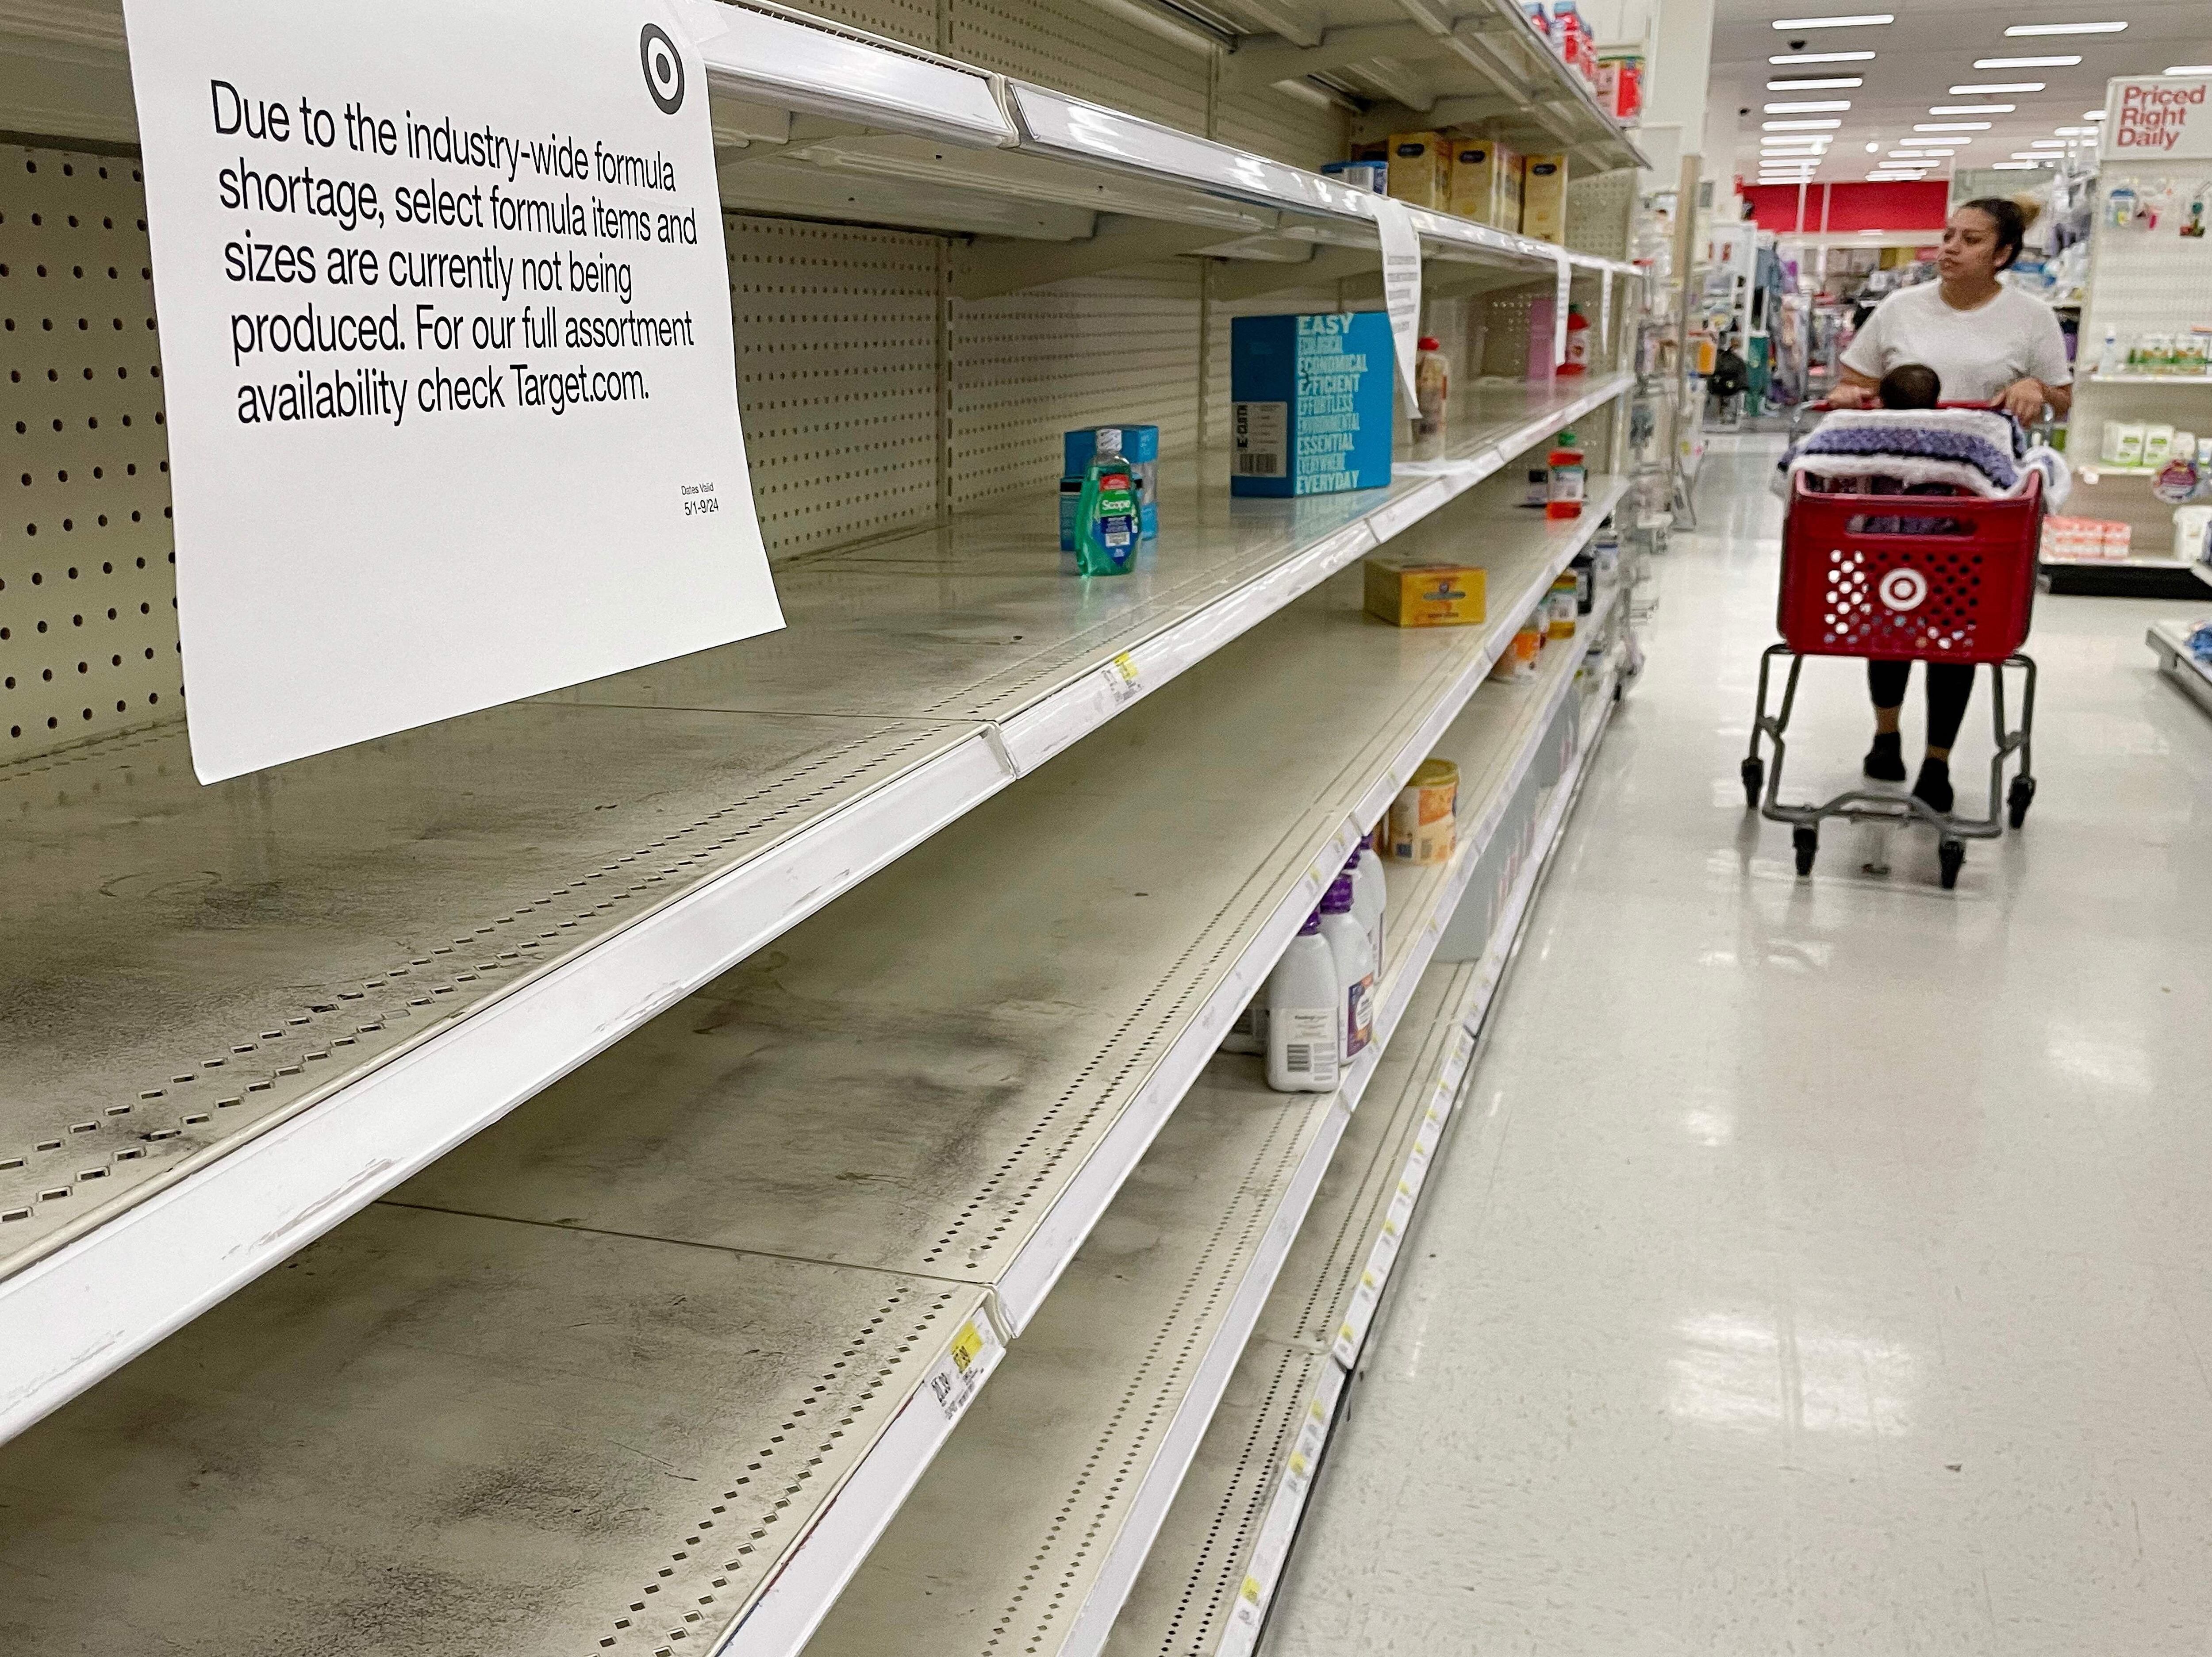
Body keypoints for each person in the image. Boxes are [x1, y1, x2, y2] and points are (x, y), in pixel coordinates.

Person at [1828, 199, 2071, 814]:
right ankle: (1886, 736)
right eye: (1948, 235)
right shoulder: (1900, 308)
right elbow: (1856, 381)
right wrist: (1849, 396)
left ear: (2003, 254)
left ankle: (1937, 761)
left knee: (1957, 630)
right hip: (1893, 493)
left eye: (1971, 240)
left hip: (1979, 504)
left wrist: (2035, 388)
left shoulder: (2031, 317)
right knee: (1890, 617)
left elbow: (2062, 398)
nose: (1951, 248)